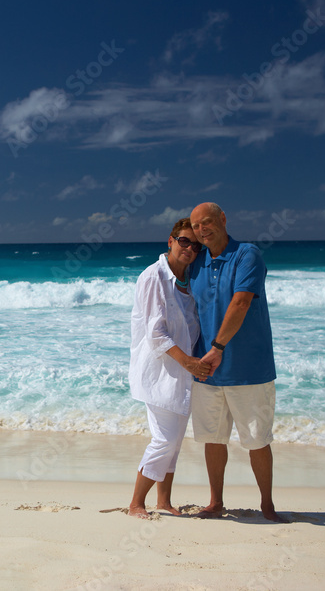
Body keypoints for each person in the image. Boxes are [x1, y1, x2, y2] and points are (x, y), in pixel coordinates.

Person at [187, 202, 287, 523]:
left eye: (207, 222)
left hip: (249, 370)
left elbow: (241, 302)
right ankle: (215, 502)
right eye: (196, 226)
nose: (202, 230)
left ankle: (267, 505)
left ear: (223, 219)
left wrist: (217, 347)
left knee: (257, 440)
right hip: (207, 370)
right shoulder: (197, 262)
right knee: (212, 439)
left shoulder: (247, 255)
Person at [127, 218, 211, 519]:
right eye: (184, 241)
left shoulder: (188, 278)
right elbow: (156, 333)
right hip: (159, 371)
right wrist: (188, 362)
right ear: (171, 241)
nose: (189, 248)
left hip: (182, 373)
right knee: (164, 440)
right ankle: (136, 504)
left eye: (196, 245)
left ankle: (163, 501)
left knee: (174, 442)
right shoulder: (154, 277)